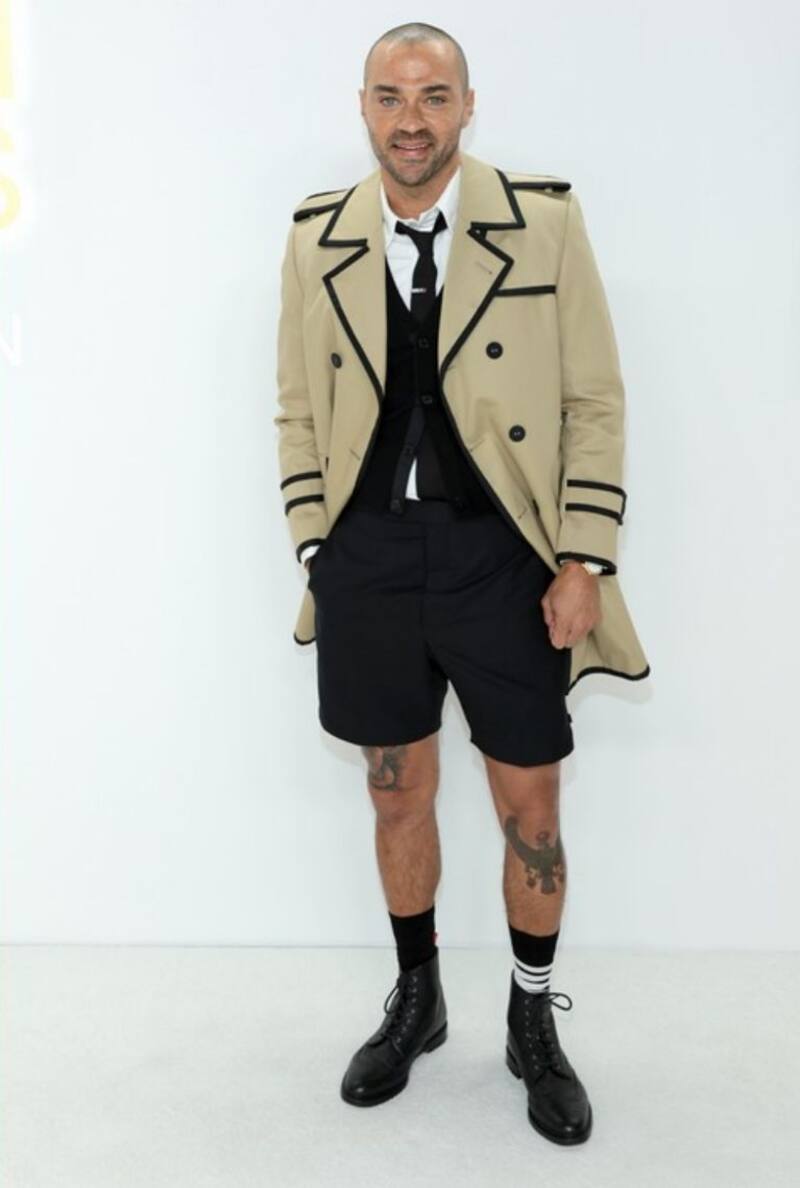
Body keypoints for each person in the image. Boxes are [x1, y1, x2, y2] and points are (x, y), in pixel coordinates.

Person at [274, 21, 651, 1145]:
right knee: (395, 792)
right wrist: (315, 544)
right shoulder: (316, 236)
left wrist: (581, 555)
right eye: (390, 97)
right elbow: (294, 404)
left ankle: (531, 1021)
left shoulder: (542, 222)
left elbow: (593, 397)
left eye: (433, 96)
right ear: (362, 106)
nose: (411, 120)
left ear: (467, 106)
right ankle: (418, 997)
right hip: (370, 560)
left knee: (528, 803)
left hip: (504, 559)